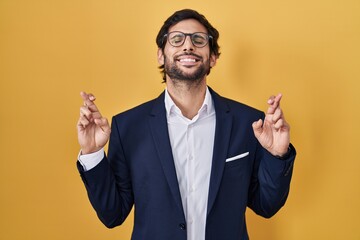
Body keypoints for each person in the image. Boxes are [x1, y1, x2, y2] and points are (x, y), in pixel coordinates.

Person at [76, 9, 296, 240]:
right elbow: (112, 214)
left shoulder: (249, 123)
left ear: (213, 57)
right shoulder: (128, 126)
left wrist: (277, 155)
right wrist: (92, 154)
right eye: (177, 39)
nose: (188, 46)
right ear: (161, 54)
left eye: (199, 40)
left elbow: (267, 205)